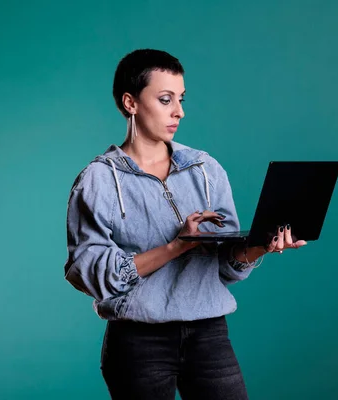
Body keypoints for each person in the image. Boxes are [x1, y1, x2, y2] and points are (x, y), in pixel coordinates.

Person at [63, 48, 306, 400]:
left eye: (180, 98)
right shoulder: (98, 181)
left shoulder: (206, 169)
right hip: (138, 341)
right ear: (130, 103)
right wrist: (176, 246)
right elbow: (91, 275)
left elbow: (226, 268)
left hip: (209, 335)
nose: (179, 111)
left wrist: (259, 246)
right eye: (165, 99)